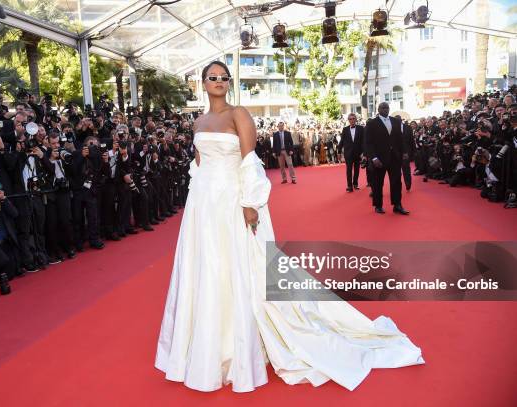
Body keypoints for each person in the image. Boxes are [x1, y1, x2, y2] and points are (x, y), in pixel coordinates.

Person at [154, 61, 424, 393]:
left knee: (239, 266)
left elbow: (249, 161)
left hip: (231, 200)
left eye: (224, 77)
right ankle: (210, 346)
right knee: (208, 268)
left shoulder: (239, 114)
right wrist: (196, 196)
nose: (219, 81)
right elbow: (198, 163)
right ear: (203, 82)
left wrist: (251, 203)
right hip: (203, 205)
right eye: (213, 77)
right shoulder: (199, 120)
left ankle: (242, 346)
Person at [365, 103, 410, 215]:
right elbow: (368, 143)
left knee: (396, 182)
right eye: (383, 108)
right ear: (378, 109)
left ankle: (397, 205)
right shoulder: (372, 123)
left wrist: (404, 152)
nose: (385, 109)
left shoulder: (395, 121)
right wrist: (373, 157)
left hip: (394, 157)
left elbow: (400, 138)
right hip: (379, 158)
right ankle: (378, 205)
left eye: (387, 108)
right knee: (378, 183)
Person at [338, 113, 364, 192]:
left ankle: (355, 183)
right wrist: (339, 152)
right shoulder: (345, 129)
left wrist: (363, 152)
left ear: (356, 119)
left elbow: (363, 141)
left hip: (358, 153)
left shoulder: (361, 128)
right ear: (348, 120)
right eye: (350, 119)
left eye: (353, 118)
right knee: (348, 169)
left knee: (356, 169)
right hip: (348, 153)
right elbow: (341, 141)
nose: (352, 120)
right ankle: (349, 186)